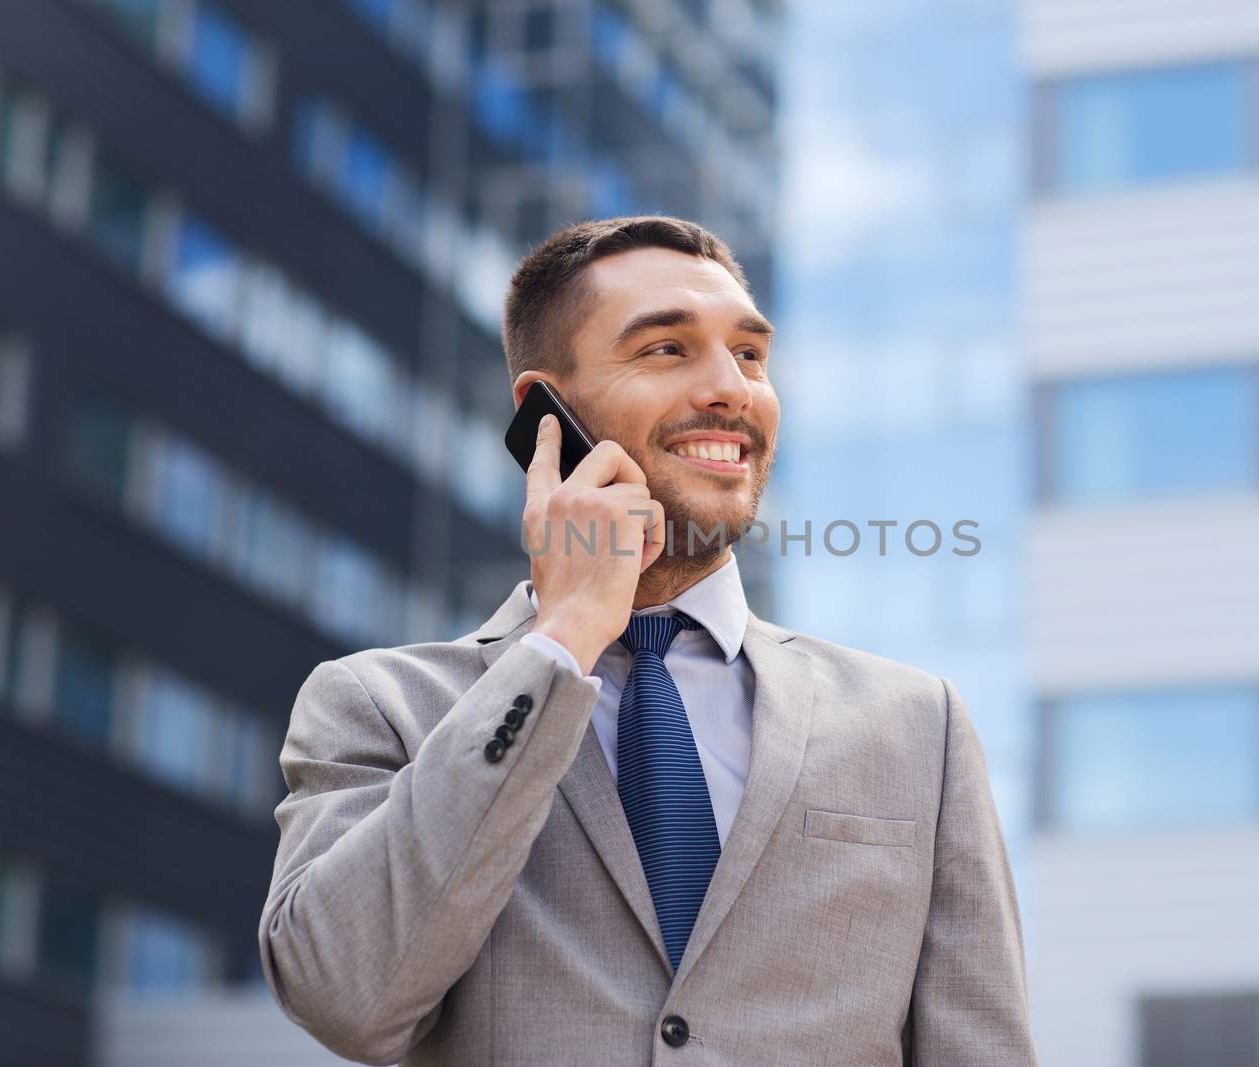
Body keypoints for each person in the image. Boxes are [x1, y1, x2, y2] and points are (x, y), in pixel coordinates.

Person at [258, 216, 1038, 1065]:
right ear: (543, 414)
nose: (732, 389)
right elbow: (344, 996)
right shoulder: (380, 705)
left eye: (749, 354)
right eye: (667, 348)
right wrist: (561, 641)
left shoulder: (918, 726)